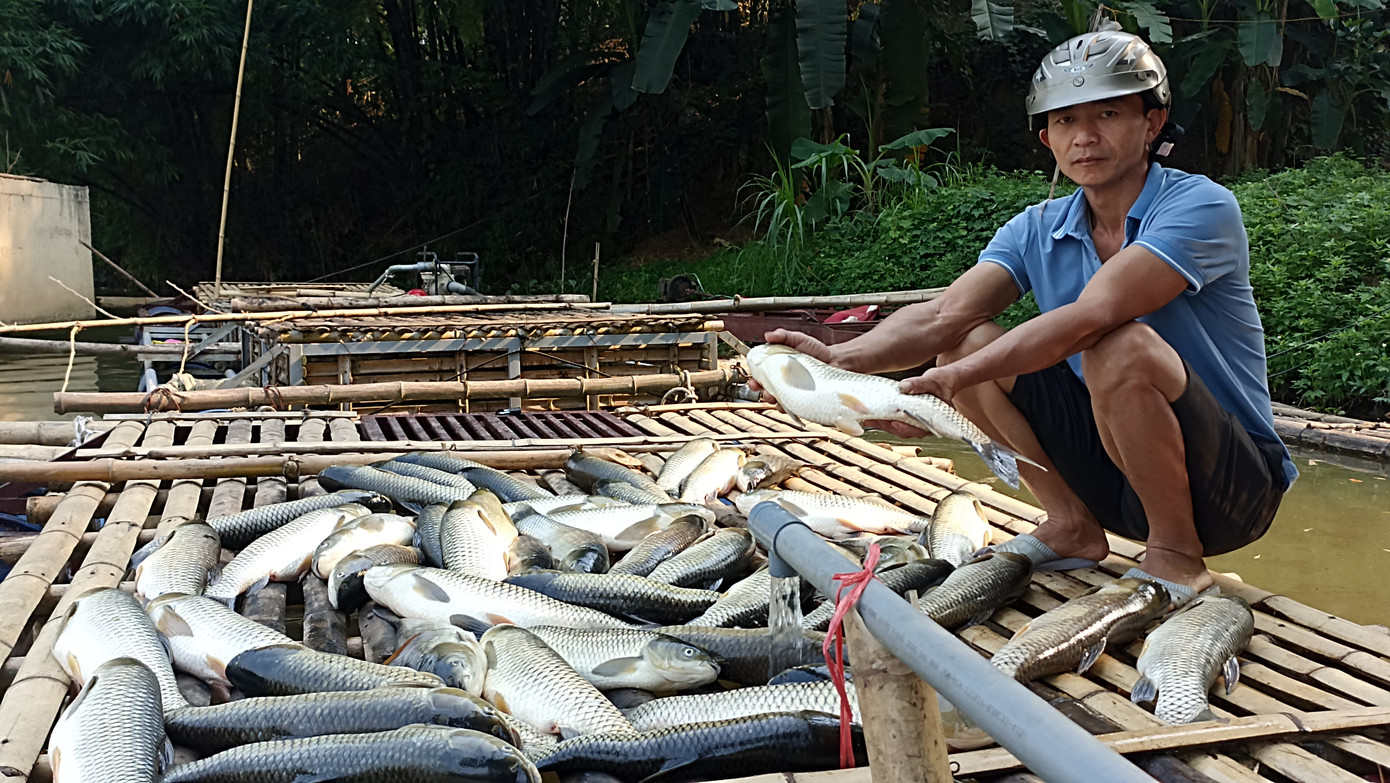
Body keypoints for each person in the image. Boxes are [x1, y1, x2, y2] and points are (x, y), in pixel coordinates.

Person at [755, 25, 1296, 608]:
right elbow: (944, 315)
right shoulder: (1036, 227)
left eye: (1108, 115)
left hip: (1232, 488)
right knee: (964, 343)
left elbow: (1096, 314)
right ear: (1046, 137)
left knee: (1116, 345)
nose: (1085, 137)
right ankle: (1071, 523)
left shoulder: (1200, 206)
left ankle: (1175, 555)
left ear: (1152, 124)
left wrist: (951, 384)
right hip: (1116, 473)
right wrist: (844, 362)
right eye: (1065, 121)